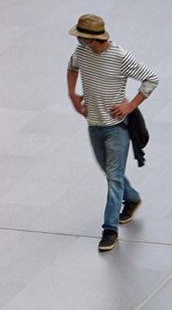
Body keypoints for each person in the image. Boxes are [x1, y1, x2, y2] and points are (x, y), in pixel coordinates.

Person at [66, 14, 159, 253]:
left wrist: (130, 106)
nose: (78, 41)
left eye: (80, 37)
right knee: (107, 170)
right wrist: (72, 94)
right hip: (94, 124)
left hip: (117, 128)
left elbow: (151, 78)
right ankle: (132, 198)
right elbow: (72, 66)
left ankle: (109, 230)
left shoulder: (119, 56)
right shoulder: (83, 52)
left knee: (114, 177)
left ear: (91, 38)